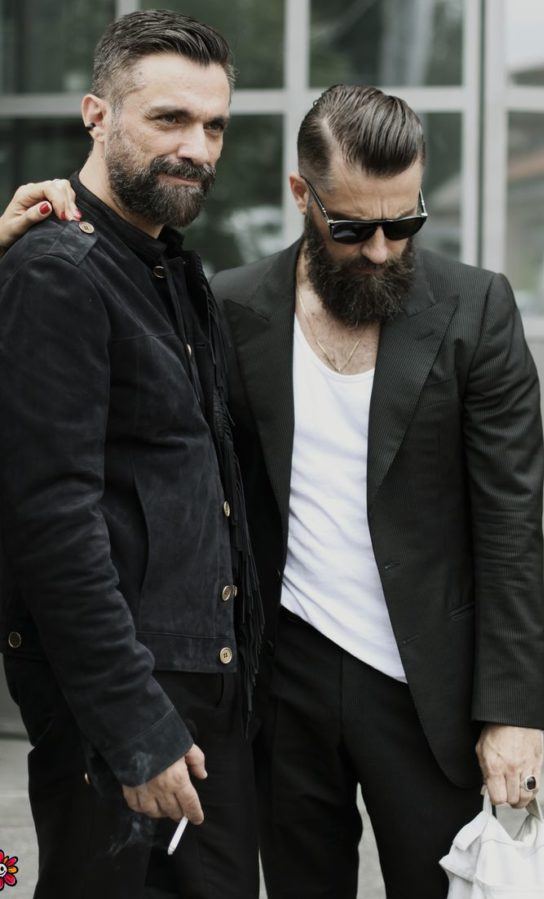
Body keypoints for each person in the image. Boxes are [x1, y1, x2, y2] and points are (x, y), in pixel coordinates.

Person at [3, 85, 544, 898]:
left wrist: (512, 710)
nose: (380, 250)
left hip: (426, 691)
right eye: (352, 227)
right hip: (281, 688)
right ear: (301, 194)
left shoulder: (478, 308)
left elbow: (510, 524)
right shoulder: (226, 303)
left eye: (404, 224)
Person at [0, 10, 261, 899]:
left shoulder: (173, 273)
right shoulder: (57, 272)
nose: (197, 147)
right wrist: (135, 727)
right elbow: (52, 521)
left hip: (200, 685)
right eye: (169, 118)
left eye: (215, 125)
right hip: (121, 706)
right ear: (97, 115)